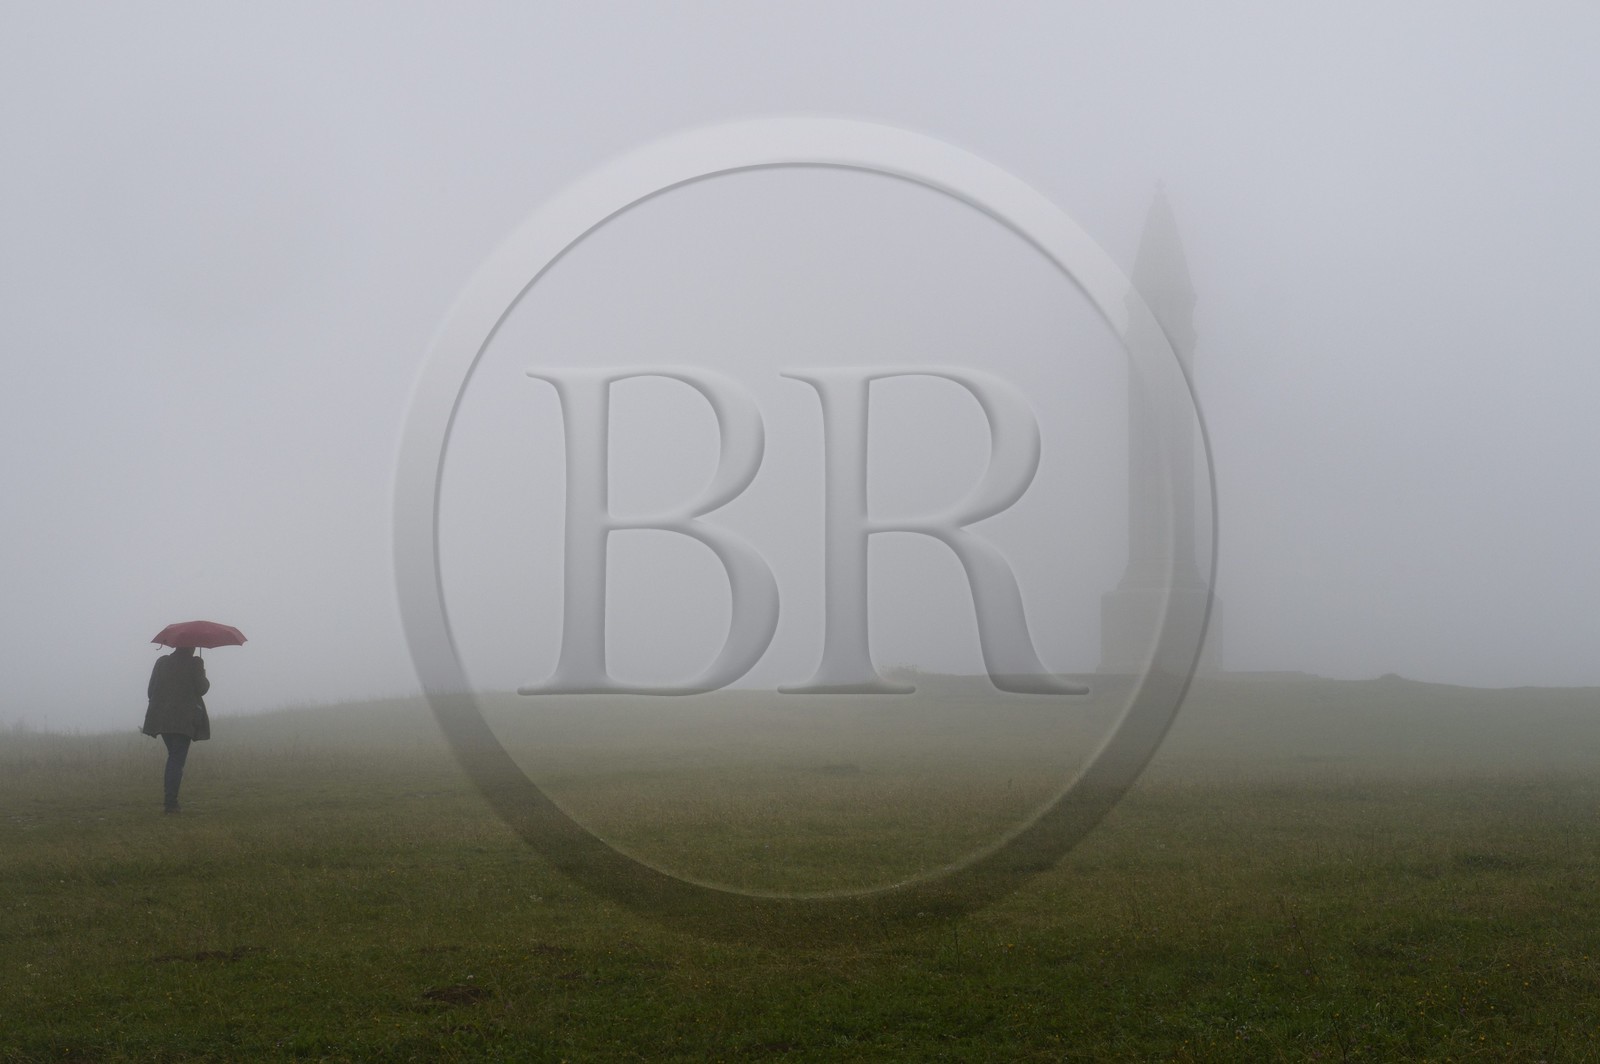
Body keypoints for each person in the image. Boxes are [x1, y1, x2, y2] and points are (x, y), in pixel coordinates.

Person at [142, 646, 210, 813]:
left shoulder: (162, 662)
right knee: (176, 760)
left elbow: (150, 691)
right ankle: (171, 803)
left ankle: (171, 801)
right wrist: (201, 669)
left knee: (174, 757)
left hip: (162, 719)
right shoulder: (194, 663)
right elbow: (202, 688)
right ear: (191, 647)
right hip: (184, 720)